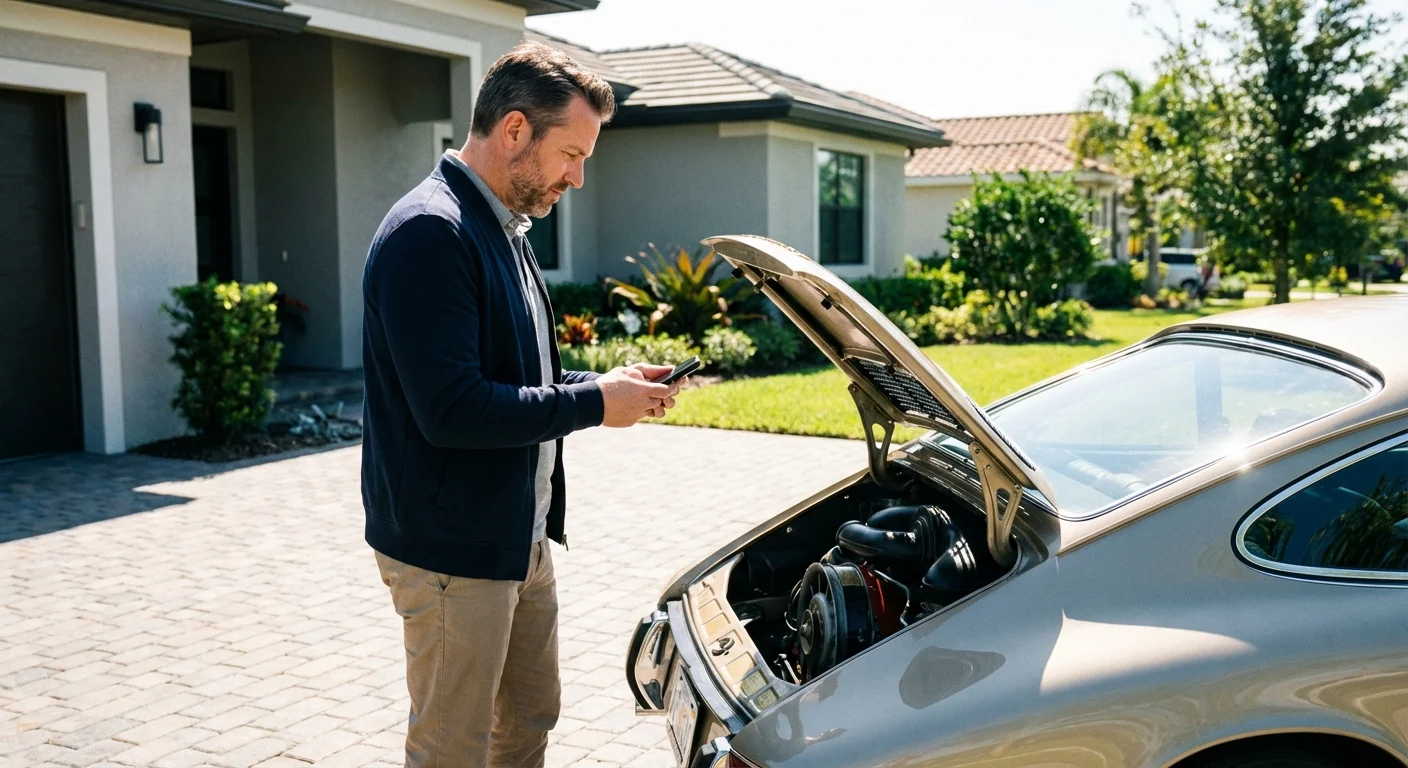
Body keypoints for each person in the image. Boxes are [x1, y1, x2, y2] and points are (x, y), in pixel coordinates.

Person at [361, 41, 682, 768]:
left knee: (530, 717)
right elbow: (454, 409)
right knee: (453, 749)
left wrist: (609, 383)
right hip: (453, 551)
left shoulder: (504, 227)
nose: (577, 176)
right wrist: (596, 404)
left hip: (518, 537)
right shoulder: (430, 232)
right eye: (571, 154)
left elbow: (520, 375)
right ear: (514, 130)